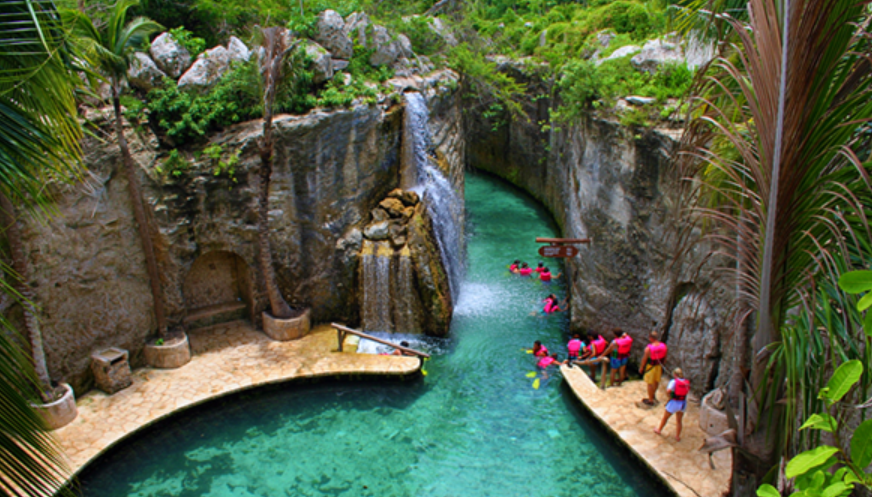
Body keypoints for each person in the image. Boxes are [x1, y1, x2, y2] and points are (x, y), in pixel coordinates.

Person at [654, 368, 690, 441]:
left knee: (665, 418)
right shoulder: (686, 382)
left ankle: (659, 430)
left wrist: (669, 396)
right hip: (683, 403)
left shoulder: (673, 381)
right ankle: (677, 436)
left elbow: (668, 391)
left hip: (674, 402)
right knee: (679, 420)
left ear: (675, 374)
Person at [638, 331, 667, 406]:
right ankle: (653, 394)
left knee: (650, 383)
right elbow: (665, 357)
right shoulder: (663, 346)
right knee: (656, 381)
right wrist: (662, 365)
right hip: (659, 366)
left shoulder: (648, 348)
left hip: (651, 366)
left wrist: (641, 367)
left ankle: (650, 400)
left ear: (651, 338)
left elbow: (644, 359)